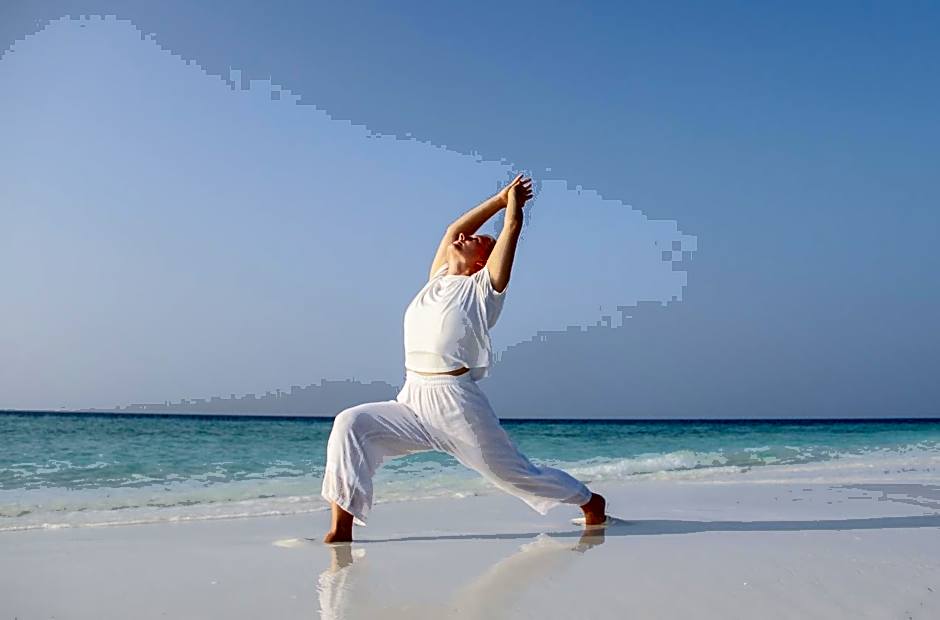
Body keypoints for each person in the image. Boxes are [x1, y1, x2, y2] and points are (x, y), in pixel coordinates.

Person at [320, 173, 607, 543]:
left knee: (515, 474)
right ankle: (341, 529)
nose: (464, 238)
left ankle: (590, 502)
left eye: (475, 241)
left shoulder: (483, 290)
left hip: (457, 405)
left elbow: (511, 229)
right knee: (351, 424)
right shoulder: (437, 279)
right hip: (412, 398)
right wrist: (498, 199)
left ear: (480, 263)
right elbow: (453, 227)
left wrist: (514, 208)